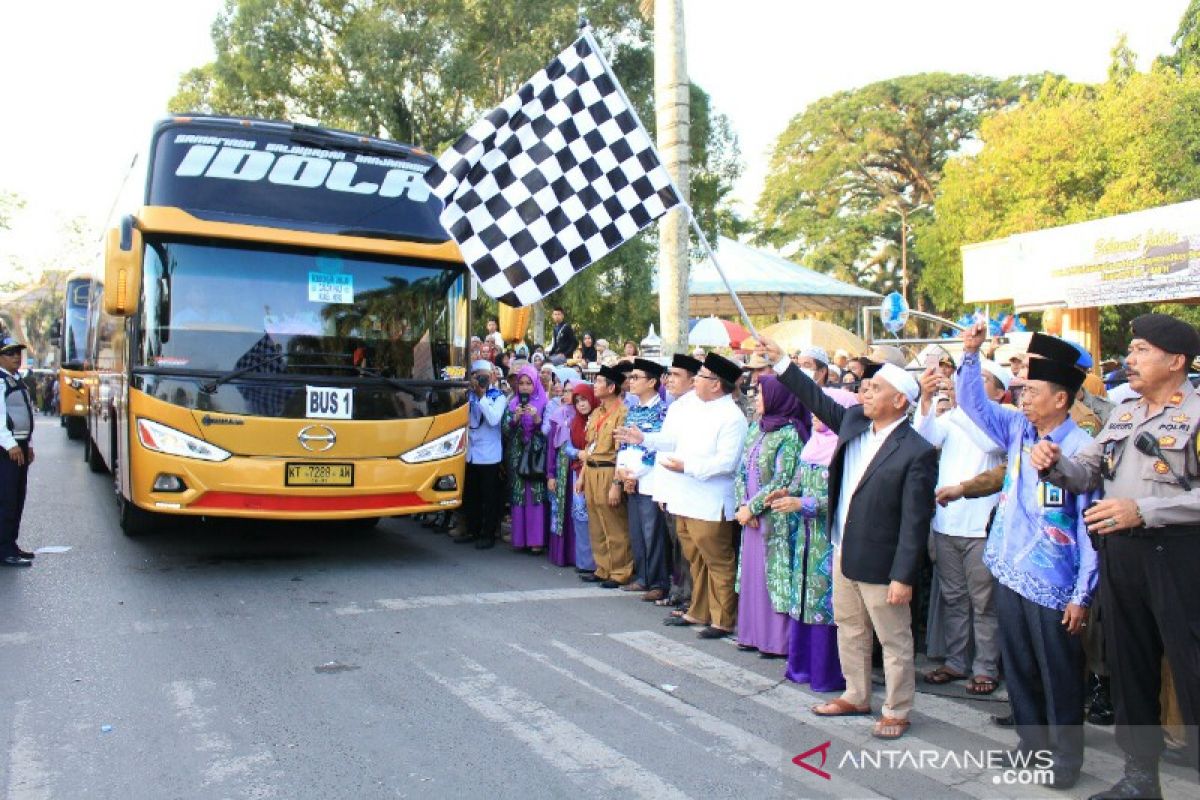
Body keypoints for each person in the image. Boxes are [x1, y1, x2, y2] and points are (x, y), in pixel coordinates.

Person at [1033, 313, 1200, 799]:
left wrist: (1143, 510)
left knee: (1191, 669)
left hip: (1181, 557)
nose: (1129, 359)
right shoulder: (1123, 415)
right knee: (1130, 668)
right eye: (1130, 350)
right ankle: (1140, 777)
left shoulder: (1197, 414)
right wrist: (1055, 464)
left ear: (1176, 360)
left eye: (1142, 350)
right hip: (1122, 556)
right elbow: (1085, 472)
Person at [760, 333, 937, 742]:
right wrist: (782, 362)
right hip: (842, 549)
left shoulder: (916, 451)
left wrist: (903, 576)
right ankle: (856, 695)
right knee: (850, 627)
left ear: (899, 401)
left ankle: (897, 708)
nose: (864, 392)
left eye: (875, 388)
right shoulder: (855, 421)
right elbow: (816, 399)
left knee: (893, 640)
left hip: (882, 562)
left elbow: (915, 521)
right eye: (865, 386)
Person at [958, 327, 1099, 790]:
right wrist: (971, 356)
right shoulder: (1019, 429)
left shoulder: (1082, 449)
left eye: (1033, 392)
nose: (1023, 399)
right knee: (1018, 665)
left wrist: (1082, 594)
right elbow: (975, 406)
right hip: (1010, 570)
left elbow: (1087, 527)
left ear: (1061, 399)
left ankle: (1064, 760)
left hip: (1055, 581)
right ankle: (1031, 747)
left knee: (1058, 671)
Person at [628, 353, 748, 639]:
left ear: (717, 384)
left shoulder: (732, 417)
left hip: (709, 501)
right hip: (685, 497)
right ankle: (699, 610)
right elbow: (672, 440)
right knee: (696, 560)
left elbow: (726, 463)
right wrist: (644, 438)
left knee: (717, 562)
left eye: (703, 376)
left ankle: (723, 619)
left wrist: (688, 467)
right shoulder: (692, 406)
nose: (696, 380)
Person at [913, 359, 1008, 696]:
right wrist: (925, 402)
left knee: (984, 603)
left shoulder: (999, 419)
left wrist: (966, 405)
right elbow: (924, 439)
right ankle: (956, 661)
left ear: (998, 390)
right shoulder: (950, 416)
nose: (965, 384)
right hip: (946, 523)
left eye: (980, 379)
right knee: (954, 598)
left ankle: (985, 667)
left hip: (980, 526)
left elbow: (989, 445)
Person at [771, 383, 859, 693]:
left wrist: (802, 504)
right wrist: (787, 493)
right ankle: (801, 666)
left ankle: (827, 673)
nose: (815, 417)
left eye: (822, 412)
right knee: (804, 598)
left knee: (826, 602)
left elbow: (840, 500)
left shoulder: (847, 451)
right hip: (805, 539)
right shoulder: (813, 446)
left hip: (829, 540)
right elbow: (799, 482)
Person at [733, 376, 805, 657]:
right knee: (752, 576)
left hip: (774, 519)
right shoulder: (756, 429)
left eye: (761, 394)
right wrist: (743, 505)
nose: (756, 399)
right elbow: (741, 469)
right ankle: (752, 634)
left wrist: (754, 506)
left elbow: (783, 480)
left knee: (772, 578)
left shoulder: (791, 434)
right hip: (749, 518)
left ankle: (776, 641)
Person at [616, 358, 669, 600]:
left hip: (650, 479)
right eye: (631, 377)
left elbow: (655, 449)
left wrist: (635, 475)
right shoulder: (633, 410)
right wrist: (623, 471)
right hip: (632, 478)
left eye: (637, 377)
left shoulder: (662, 411)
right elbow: (625, 443)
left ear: (652, 382)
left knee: (653, 532)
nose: (631, 381)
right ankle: (643, 577)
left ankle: (658, 581)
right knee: (637, 531)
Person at [577, 364, 633, 588]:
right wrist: (581, 476)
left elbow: (622, 451)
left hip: (609, 470)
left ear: (612, 387)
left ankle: (620, 571)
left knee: (614, 524)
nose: (595, 386)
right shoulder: (597, 412)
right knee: (596, 523)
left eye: (600, 382)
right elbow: (590, 446)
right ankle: (603, 568)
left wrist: (616, 484)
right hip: (591, 469)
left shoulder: (623, 413)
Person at [453, 361, 507, 549]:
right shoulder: (467, 395)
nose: (481, 379)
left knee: (489, 498)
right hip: (470, 453)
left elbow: (493, 420)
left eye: (484, 375)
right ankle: (473, 530)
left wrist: (481, 396)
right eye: (477, 376)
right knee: (471, 496)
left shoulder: (498, 396)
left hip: (489, 456)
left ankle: (488, 534)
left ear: (492, 376)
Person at [504, 365, 549, 554]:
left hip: (536, 456)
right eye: (521, 383)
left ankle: (536, 540)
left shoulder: (544, 403)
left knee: (536, 494)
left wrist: (537, 419)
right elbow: (505, 431)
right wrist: (515, 419)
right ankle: (520, 540)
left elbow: (548, 432)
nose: (524, 387)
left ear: (535, 384)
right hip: (517, 457)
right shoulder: (512, 403)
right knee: (519, 495)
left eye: (528, 383)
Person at [0, 337, 35, 567]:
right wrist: (10, 444)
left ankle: (11, 545)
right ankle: (3, 550)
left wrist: (28, 444)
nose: (16, 357)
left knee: (18, 498)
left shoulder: (17, 380)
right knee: (7, 500)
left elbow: (27, 415)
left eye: (18, 353)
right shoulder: (1, 382)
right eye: (10, 353)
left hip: (19, 446)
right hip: (6, 448)